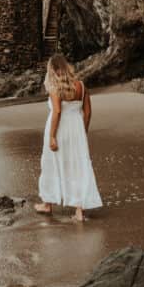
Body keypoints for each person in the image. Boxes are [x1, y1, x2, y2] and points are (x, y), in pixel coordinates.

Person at [35, 53, 102, 222]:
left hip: (58, 129)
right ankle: (79, 210)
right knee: (78, 166)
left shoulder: (54, 86)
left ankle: (48, 204)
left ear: (52, 70)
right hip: (76, 129)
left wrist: (52, 136)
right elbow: (88, 112)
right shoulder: (81, 85)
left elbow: (57, 111)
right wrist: (83, 131)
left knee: (51, 164)